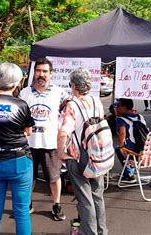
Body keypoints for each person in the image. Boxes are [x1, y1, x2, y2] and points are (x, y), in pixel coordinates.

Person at [0, 62, 35, 235]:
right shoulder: (21, 105)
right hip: (19, 161)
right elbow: (28, 131)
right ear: (17, 82)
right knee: (21, 211)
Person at [57, 67, 108, 235]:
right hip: (98, 155)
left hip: (80, 157)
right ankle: (101, 231)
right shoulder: (96, 101)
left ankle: (89, 233)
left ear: (74, 87)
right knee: (97, 196)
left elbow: (64, 131)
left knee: (85, 200)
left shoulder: (72, 105)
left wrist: (60, 153)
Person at [18, 58, 69, 220]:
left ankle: (57, 205)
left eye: (45, 71)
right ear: (34, 72)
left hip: (50, 144)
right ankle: (28, 203)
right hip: (28, 144)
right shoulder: (24, 93)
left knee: (54, 177)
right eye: (38, 71)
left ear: (51, 74)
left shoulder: (59, 93)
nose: (41, 74)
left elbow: (69, 114)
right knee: (28, 178)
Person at [114, 98, 148, 183]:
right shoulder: (140, 117)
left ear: (124, 107)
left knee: (119, 149)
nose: (116, 108)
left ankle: (129, 174)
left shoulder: (121, 119)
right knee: (124, 148)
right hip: (143, 150)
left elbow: (122, 133)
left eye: (118, 106)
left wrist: (122, 147)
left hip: (131, 152)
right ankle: (130, 170)